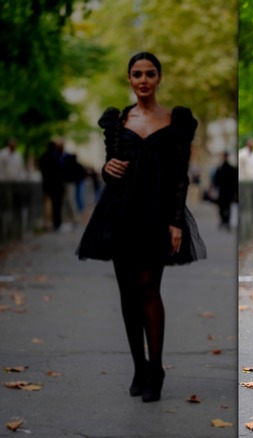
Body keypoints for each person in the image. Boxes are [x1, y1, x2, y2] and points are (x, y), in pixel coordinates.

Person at [75, 52, 206, 403]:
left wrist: (176, 221)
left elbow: (180, 175)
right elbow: (110, 165)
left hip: (158, 213)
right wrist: (107, 169)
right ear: (130, 80)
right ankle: (139, 365)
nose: (143, 79)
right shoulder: (116, 122)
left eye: (150, 73)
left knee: (149, 286)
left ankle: (157, 368)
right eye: (137, 74)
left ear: (159, 78)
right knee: (128, 293)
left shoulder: (177, 121)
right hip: (121, 213)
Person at [39, 138, 67, 230]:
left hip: (47, 185)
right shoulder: (56, 157)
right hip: (57, 185)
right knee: (57, 205)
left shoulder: (43, 157)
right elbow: (61, 171)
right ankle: (57, 223)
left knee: (48, 205)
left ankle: (47, 223)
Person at [212, 151, 238, 230]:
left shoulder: (230, 168)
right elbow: (216, 180)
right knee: (222, 206)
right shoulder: (220, 168)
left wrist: (235, 191)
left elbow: (234, 181)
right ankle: (224, 220)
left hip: (228, 191)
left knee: (227, 207)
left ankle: (226, 221)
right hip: (222, 191)